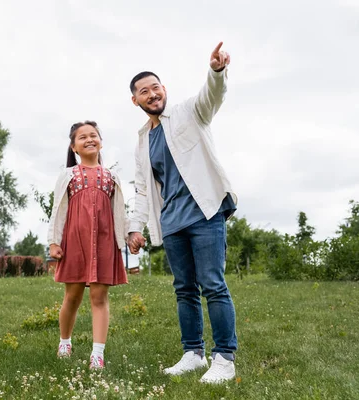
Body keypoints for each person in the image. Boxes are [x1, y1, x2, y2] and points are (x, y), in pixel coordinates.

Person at [127, 42, 238, 384]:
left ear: (165, 90)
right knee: (183, 289)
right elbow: (143, 189)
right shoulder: (143, 141)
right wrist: (135, 227)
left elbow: (212, 97)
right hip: (172, 222)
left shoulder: (190, 112)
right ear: (136, 101)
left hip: (205, 214)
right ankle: (193, 353)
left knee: (213, 285)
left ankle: (224, 358)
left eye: (156, 87)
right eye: (144, 91)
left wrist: (217, 72)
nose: (152, 94)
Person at [47, 121, 128, 369]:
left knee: (99, 296)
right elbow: (58, 210)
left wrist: (126, 239)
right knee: (72, 296)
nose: (89, 139)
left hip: (103, 242)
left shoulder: (112, 177)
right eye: (82, 137)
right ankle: (64, 341)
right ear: (74, 147)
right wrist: (53, 241)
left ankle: (97, 354)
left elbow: (119, 213)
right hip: (74, 242)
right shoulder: (68, 175)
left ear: (101, 142)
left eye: (94, 135)